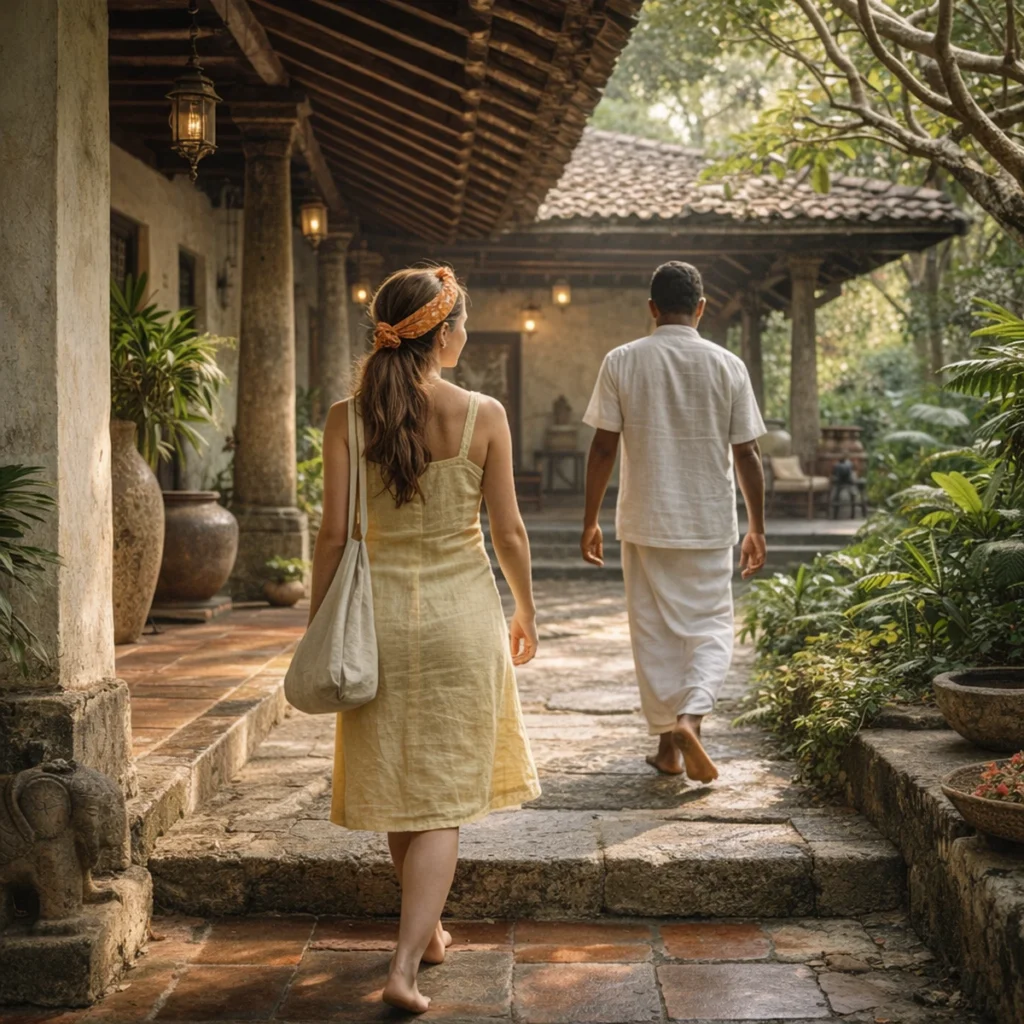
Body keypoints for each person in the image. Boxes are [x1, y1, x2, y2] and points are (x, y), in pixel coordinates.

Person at [308, 265, 541, 1013]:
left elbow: (332, 535)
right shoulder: (484, 414)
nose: (465, 335)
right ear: (442, 334)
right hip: (461, 620)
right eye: (461, 324)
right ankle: (404, 965)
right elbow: (507, 530)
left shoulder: (347, 418)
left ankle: (429, 932)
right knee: (438, 800)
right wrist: (526, 608)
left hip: (374, 622)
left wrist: (318, 622)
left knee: (402, 790)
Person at [580, 261, 767, 783]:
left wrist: (590, 519)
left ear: (652, 308)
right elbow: (747, 452)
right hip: (708, 521)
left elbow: (603, 447)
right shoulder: (728, 365)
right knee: (710, 629)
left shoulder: (621, 360)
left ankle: (669, 744)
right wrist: (757, 526)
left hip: (644, 519)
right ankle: (688, 723)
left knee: (654, 634)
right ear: (701, 308)